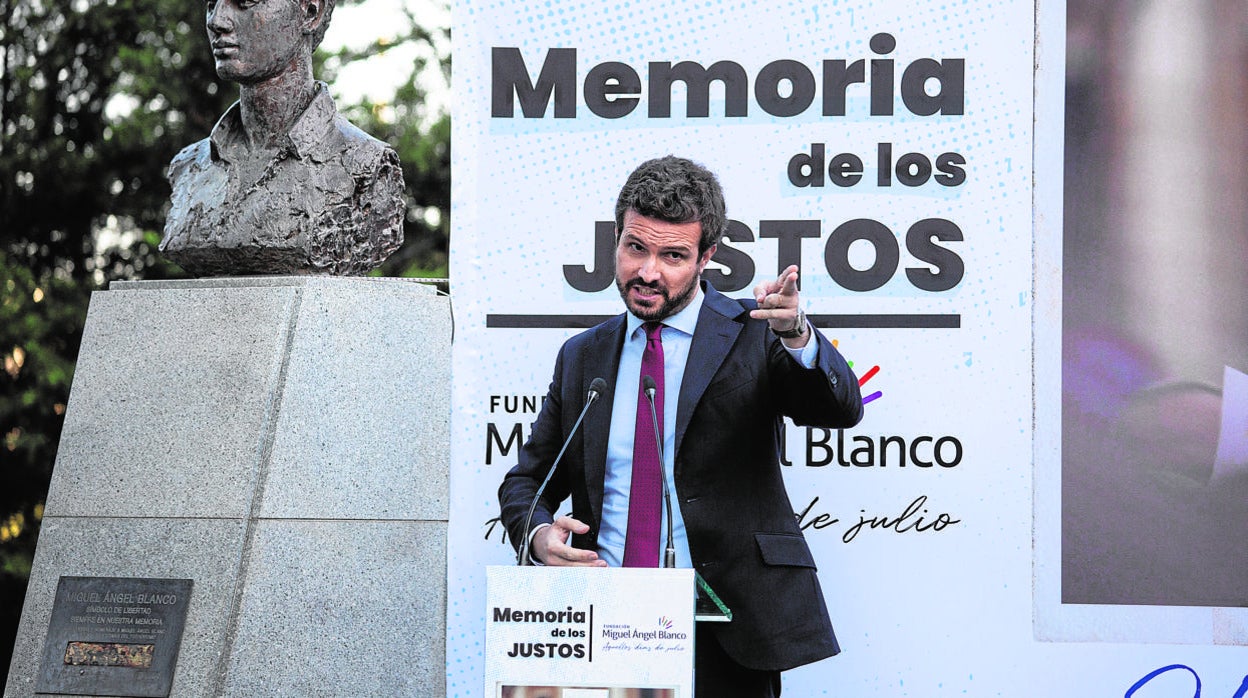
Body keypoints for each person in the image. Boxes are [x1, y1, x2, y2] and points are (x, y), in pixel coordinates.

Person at [498, 156, 864, 697]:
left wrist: (796, 333)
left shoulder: (751, 334)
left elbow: (837, 409)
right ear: (616, 239)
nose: (648, 271)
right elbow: (527, 480)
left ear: (707, 257)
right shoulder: (583, 357)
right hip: (606, 622)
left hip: (724, 626)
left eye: (673, 255)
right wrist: (537, 534)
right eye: (634, 248)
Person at [161, 0, 405, 276]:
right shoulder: (188, 168)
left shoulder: (367, 168)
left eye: (244, 2)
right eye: (211, 4)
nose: (217, 21)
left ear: (311, 12)